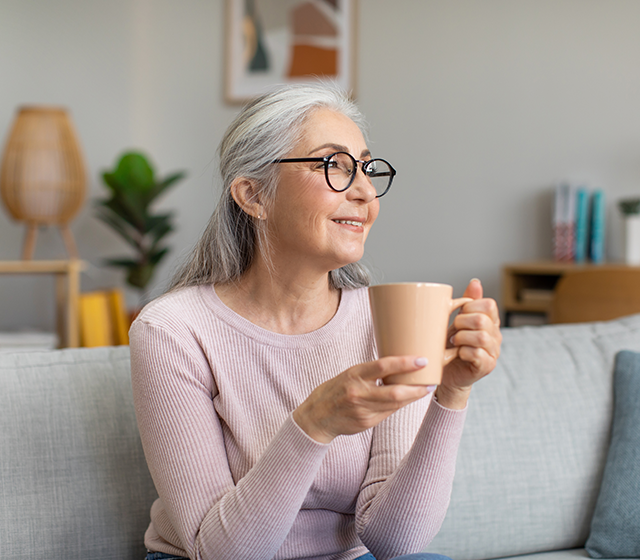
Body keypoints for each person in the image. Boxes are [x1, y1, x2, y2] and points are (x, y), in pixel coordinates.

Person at [129, 82, 502, 560]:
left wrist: (452, 393)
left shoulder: (381, 317)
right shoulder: (173, 331)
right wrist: (314, 423)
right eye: (335, 166)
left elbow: (395, 543)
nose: (366, 192)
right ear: (253, 195)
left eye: (366, 168)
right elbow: (220, 553)